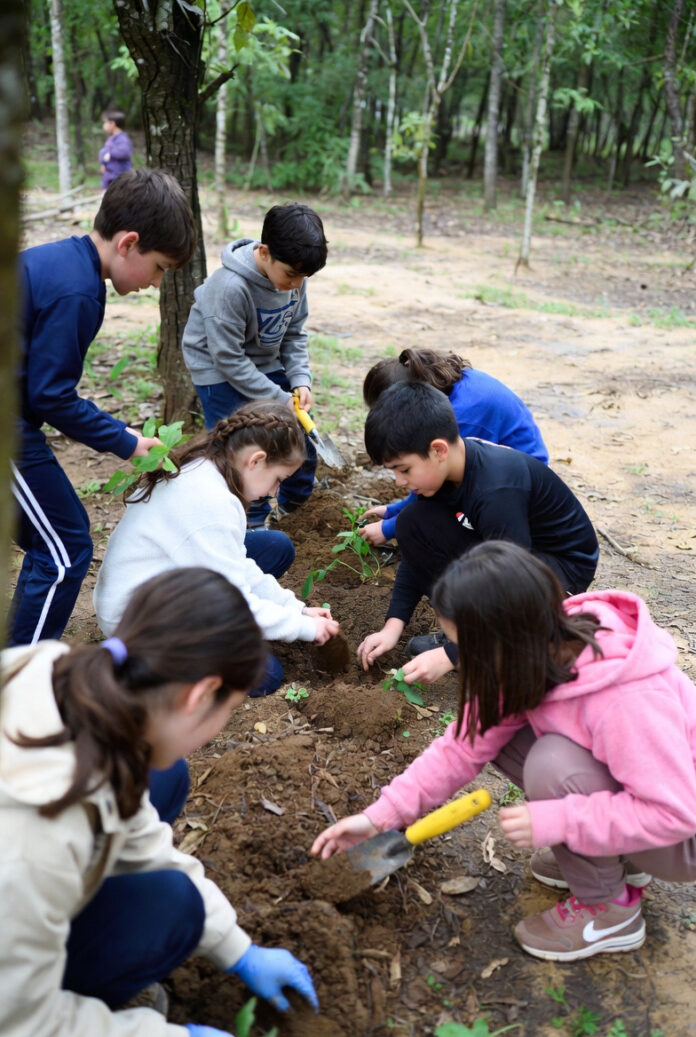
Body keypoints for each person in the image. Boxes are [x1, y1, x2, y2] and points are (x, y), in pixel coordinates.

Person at [313, 540, 696, 962]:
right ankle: (613, 855)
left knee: (552, 763)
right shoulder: (532, 651)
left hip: (682, 838)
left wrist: (561, 819)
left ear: (507, 639)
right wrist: (378, 818)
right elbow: (461, 747)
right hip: (643, 801)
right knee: (505, 738)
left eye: (465, 648)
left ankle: (609, 912)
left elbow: (675, 813)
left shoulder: (626, 699)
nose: (460, 660)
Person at [0, 566, 319, 1034]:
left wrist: (238, 950)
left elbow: (140, 834)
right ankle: (88, 986)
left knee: (163, 778)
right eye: (227, 713)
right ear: (201, 696)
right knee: (169, 909)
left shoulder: (56, 671)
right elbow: (20, 1023)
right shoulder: (34, 843)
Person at [10, 168, 196, 648]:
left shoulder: (59, 262)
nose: (156, 283)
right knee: (65, 548)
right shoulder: (78, 291)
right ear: (129, 243)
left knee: (49, 538)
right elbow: (50, 396)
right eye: (158, 269)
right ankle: (19, 682)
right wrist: (129, 442)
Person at [357, 381, 599, 685]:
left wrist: (451, 655)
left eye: (404, 470)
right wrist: (392, 626)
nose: (398, 482)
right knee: (411, 522)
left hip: (559, 570)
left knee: (525, 643)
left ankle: (494, 646)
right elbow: (416, 554)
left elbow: (512, 585)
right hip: (515, 550)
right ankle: (472, 635)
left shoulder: (496, 490)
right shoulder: (447, 472)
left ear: (438, 450)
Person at [94, 401, 339, 697]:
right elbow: (236, 600)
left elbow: (237, 563)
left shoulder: (209, 467)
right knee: (265, 674)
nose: (274, 493)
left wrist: (296, 609)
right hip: (137, 623)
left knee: (275, 547)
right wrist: (305, 629)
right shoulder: (210, 503)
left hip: (165, 586)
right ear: (256, 460)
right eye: (277, 481)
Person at [181, 203, 328, 527]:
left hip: (264, 361)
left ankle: (295, 504)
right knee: (243, 448)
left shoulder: (295, 278)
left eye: (303, 277)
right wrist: (278, 399)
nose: (296, 284)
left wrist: (299, 380)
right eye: (291, 275)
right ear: (264, 252)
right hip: (218, 370)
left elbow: (293, 333)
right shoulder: (230, 287)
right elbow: (228, 358)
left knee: (301, 429)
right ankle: (250, 519)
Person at [359, 347, 548, 547]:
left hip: (523, 493)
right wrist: (396, 510)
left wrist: (389, 528)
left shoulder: (463, 419)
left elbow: (442, 488)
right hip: (502, 473)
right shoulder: (448, 390)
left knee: (438, 527)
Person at [98, 108, 134, 189]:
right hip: (109, 177)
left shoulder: (122, 139)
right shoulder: (111, 139)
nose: (103, 126)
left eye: (105, 123)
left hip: (120, 177)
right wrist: (103, 164)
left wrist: (109, 154)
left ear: (112, 124)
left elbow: (124, 152)